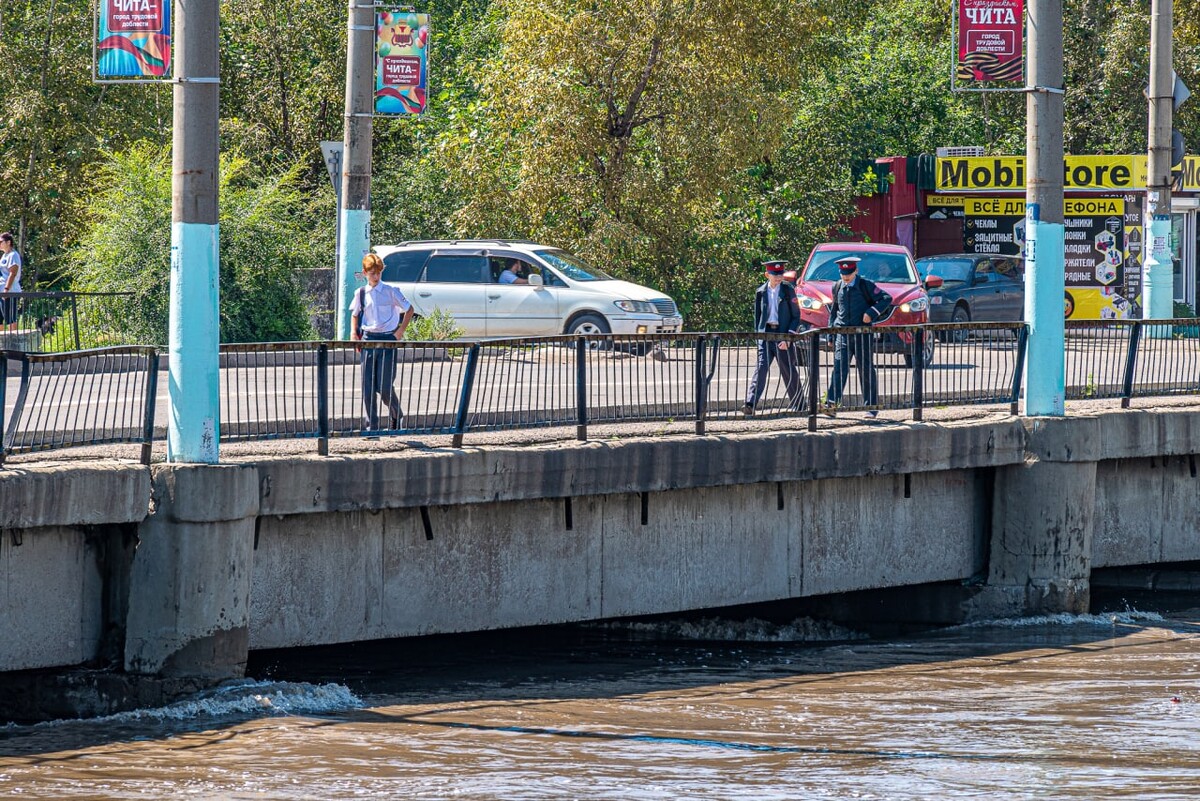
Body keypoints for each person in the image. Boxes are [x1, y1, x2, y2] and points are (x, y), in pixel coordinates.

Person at [350, 253, 415, 431]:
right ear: (365, 273)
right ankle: (373, 426)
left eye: (378, 272)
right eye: (372, 273)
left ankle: (396, 414)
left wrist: (400, 331)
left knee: (384, 387)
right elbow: (355, 314)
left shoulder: (390, 291)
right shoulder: (361, 293)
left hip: (387, 339)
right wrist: (354, 335)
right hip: (368, 340)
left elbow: (409, 309)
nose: (376, 276)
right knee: (368, 386)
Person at [823, 256, 892, 418]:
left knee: (866, 370)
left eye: (848, 273)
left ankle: (871, 407)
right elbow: (835, 311)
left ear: (856, 271)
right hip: (842, 334)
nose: (845, 277)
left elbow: (886, 298)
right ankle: (831, 404)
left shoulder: (865, 285)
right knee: (839, 369)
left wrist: (871, 313)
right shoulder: (837, 286)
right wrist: (831, 334)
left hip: (862, 335)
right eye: (842, 273)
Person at [743, 260, 804, 415]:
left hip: (782, 334)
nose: (778, 278)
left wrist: (788, 338)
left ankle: (800, 404)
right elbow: (758, 317)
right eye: (775, 275)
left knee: (788, 370)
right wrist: (759, 337)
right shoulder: (761, 291)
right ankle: (750, 403)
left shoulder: (788, 290)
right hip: (766, 334)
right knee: (761, 368)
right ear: (767, 275)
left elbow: (796, 316)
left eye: (780, 274)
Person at [0, 232, 22, 332]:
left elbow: (12, 273)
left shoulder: (13, 255)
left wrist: (6, 289)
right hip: (2, 292)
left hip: (9, 292)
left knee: (10, 318)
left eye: (1, 241)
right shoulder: (4, 256)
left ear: (8, 242)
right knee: (1, 318)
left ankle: (13, 343)